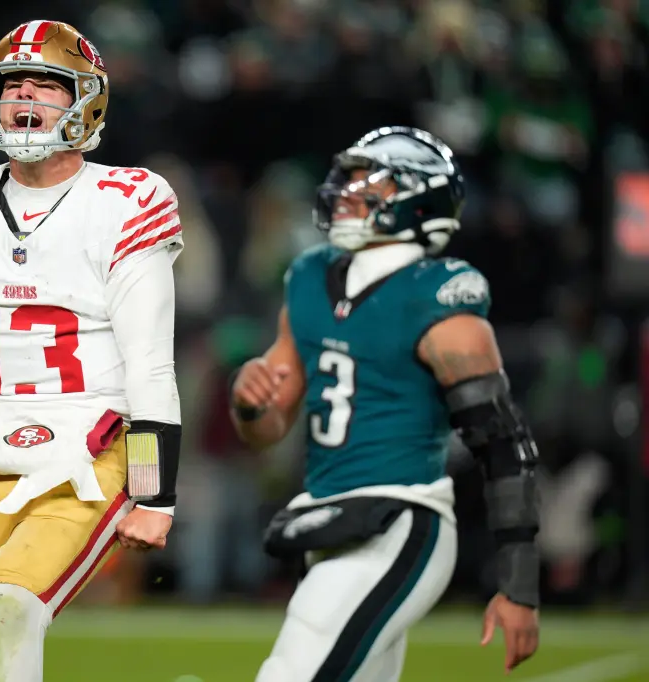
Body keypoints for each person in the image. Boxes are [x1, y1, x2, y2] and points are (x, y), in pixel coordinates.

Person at [0, 20, 183, 682]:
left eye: (44, 86)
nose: (23, 99)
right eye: (10, 85)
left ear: (86, 101)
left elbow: (150, 366)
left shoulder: (127, 200)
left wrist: (154, 495)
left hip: (94, 451)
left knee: (13, 597)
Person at [230, 126, 541, 681]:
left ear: (419, 198)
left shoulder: (440, 296)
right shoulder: (309, 277)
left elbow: (504, 449)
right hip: (326, 519)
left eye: (367, 184)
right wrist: (250, 403)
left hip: (402, 517)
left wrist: (518, 585)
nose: (346, 194)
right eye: (345, 181)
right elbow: (268, 428)